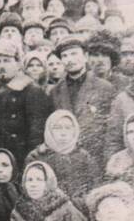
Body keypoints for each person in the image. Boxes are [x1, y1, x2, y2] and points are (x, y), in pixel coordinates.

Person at [0, 39, 53, 168]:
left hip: (23, 160)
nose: (2, 66)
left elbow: (36, 135)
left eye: (7, 61)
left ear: (18, 63)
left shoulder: (32, 91)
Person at [47, 36, 116, 165]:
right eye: (65, 56)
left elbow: (111, 130)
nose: (70, 59)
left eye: (74, 54)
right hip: (65, 159)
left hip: (95, 158)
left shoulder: (105, 88)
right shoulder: (55, 92)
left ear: (85, 57)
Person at [25, 110, 99, 207]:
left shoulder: (84, 156)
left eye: (68, 128)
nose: (63, 133)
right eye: (57, 128)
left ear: (74, 130)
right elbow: (30, 191)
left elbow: (95, 187)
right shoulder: (37, 157)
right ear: (50, 130)